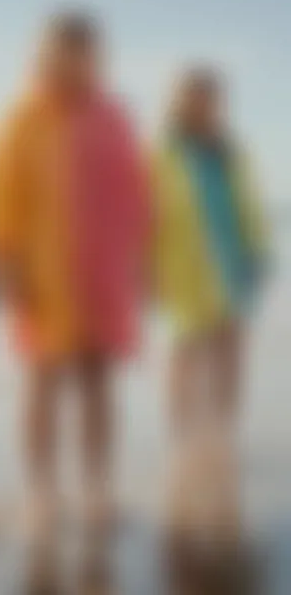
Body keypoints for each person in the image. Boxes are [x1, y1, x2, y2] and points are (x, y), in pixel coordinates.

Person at [0, 11, 148, 537]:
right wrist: (7, 269)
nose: (76, 62)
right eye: (64, 51)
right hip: (43, 277)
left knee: (99, 385)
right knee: (43, 383)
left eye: (85, 52)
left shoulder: (115, 117)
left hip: (104, 276)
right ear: (44, 55)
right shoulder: (22, 118)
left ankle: (97, 488)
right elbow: (1, 202)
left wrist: (141, 263)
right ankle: (42, 490)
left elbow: (136, 194)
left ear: (96, 58)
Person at [152, 68, 268, 538]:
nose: (207, 107)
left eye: (214, 99)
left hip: (232, 264)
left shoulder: (231, 152)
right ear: (182, 102)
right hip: (185, 270)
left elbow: (250, 205)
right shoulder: (162, 153)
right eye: (198, 98)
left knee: (230, 354)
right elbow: (147, 212)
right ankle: (185, 443)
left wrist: (257, 251)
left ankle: (221, 437)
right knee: (185, 356)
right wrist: (145, 269)